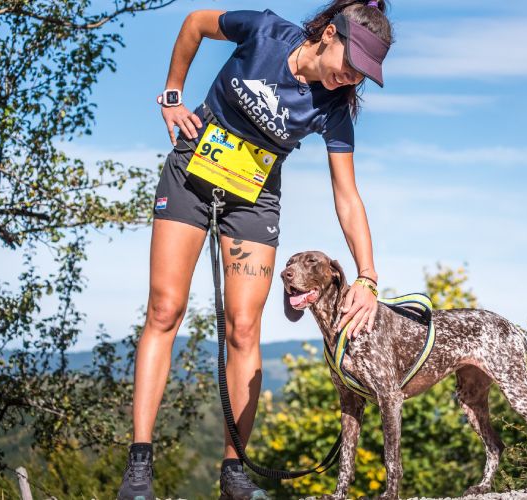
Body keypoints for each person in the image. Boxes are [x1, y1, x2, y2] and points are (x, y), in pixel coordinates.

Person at [116, 1, 393, 499]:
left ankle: (234, 474)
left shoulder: (334, 109)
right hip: (192, 168)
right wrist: (172, 95)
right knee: (165, 309)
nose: (351, 78)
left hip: (254, 195)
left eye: (362, 76)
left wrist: (368, 276)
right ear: (329, 34)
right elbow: (196, 22)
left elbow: (347, 196)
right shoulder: (266, 31)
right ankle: (139, 467)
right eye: (350, 64)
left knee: (244, 326)